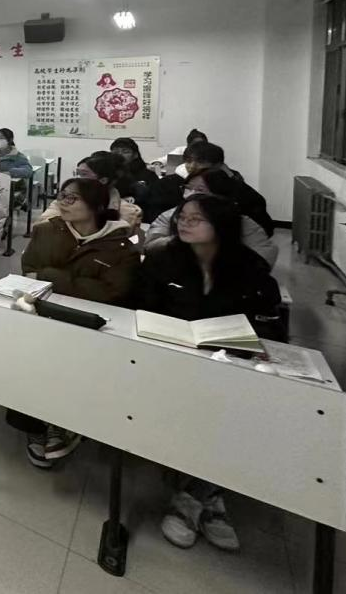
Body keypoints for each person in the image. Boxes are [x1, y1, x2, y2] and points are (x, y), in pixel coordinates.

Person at [138, 193, 285, 553]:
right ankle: (204, 496)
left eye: (196, 219)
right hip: (168, 357)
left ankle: (196, 495)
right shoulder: (161, 259)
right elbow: (140, 309)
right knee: (191, 407)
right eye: (182, 217)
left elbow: (270, 326)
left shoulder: (249, 267)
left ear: (221, 226)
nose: (184, 224)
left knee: (237, 412)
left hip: (230, 363)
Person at [17, 178, 139, 468]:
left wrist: (51, 276)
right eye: (61, 195)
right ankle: (35, 423)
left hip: (91, 324)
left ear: (96, 206)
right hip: (43, 314)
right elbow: (29, 271)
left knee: (76, 371)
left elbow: (111, 292)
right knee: (29, 365)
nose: (63, 202)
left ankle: (63, 424)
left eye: (72, 198)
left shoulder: (120, 245)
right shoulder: (47, 230)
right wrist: (74, 283)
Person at [144, 168, 278, 266]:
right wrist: (179, 240)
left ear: (219, 194)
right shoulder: (171, 215)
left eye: (200, 190)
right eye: (188, 188)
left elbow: (264, 256)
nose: (192, 193)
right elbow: (150, 246)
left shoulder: (241, 221)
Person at [40, 151, 143, 231]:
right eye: (77, 173)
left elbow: (121, 236)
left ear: (103, 180)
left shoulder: (128, 211)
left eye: (84, 174)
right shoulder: (63, 201)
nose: (77, 179)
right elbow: (43, 226)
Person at [110, 136, 159, 204]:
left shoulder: (149, 175)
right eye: (116, 151)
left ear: (135, 155)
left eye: (125, 152)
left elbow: (154, 198)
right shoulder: (107, 172)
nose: (119, 154)